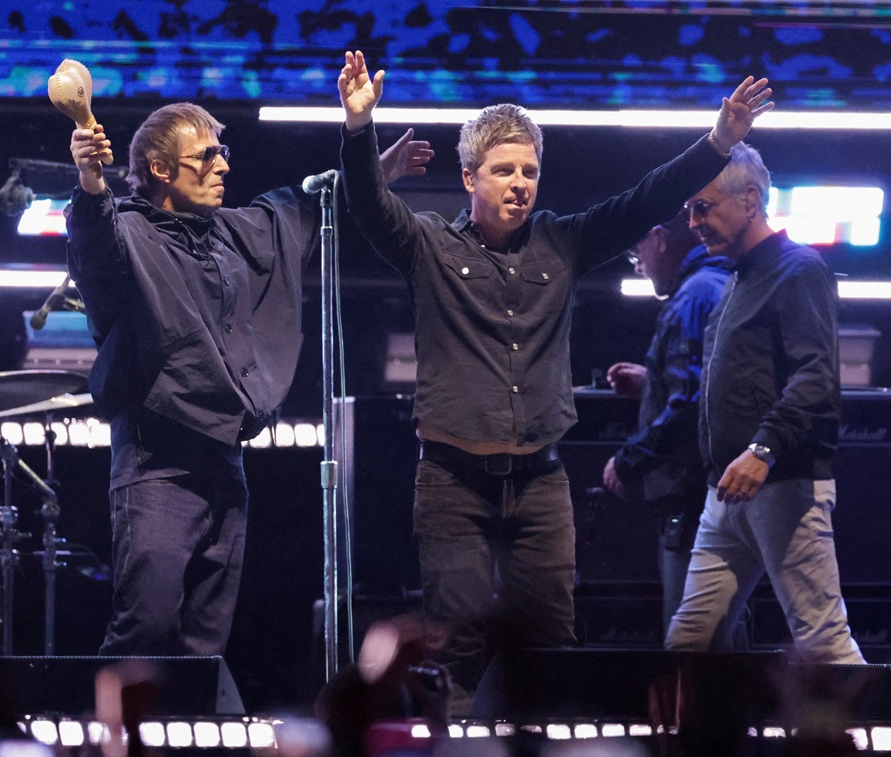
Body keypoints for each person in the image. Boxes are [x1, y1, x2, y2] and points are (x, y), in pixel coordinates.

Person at [336, 49, 773, 711]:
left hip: (540, 484)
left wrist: (717, 142)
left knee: (550, 647)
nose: (520, 184)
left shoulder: (562, 242)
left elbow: (644, 201)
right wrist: (357, 127)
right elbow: (368, 205)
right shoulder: (428, 245)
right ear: (469, 177)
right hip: (452, 484)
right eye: (503, 170)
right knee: (456, 647)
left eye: (530, 171)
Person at [66, 102, 431, 656]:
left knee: (205, 639)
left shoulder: (235, 232)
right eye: (206, 155)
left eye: (223, 152)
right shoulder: (129, 234)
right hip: (156, 463)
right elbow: (95, 243)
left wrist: (372, 169)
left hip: (225, 462)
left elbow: (309, 206)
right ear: (161, 169)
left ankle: (191, 715)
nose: (223, 165)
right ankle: (111, 717)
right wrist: (91, 180)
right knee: (147, 625)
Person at [664, 143, 865, 663]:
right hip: (727, 492)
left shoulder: (798, 270)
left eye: (703, 207)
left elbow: (816, 377)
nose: (693, 222)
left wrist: (763, 450)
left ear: (750, 201)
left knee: (825, 646)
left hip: (782, 485)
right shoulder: (738, 277)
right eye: (689, 210)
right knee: (687, 647)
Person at [601, 210, 730, 635]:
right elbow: (712, 386)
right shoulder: (722, 283)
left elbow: (690, 403)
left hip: (688, 497)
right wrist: (653, 383)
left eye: (636, 251)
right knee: (721, 634)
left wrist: (627, 460)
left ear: (659, 239)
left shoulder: (692, 297)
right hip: (715, 493)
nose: (638, 265)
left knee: (690, 639)